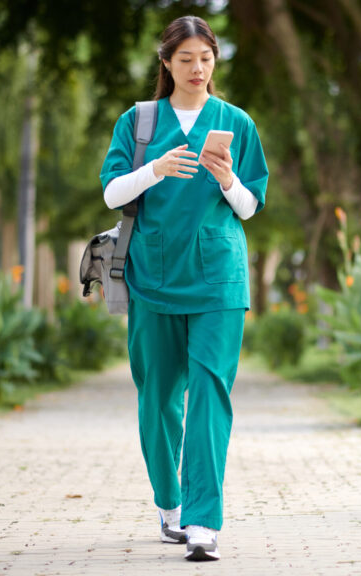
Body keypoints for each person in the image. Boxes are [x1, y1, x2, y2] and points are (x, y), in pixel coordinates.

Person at [98, 15, 268, 562]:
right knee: (158, 398)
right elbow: (110, 193)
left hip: (219, 278)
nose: (199, 68)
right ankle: (169, 502)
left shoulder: (236, 122)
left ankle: (202, 520)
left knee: (210, 395)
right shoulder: (139, 122)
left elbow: (249, 206)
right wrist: (156, 169)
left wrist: (226, 178)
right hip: (153, 277)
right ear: (167, 63)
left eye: (207, 58)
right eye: (188, 59)